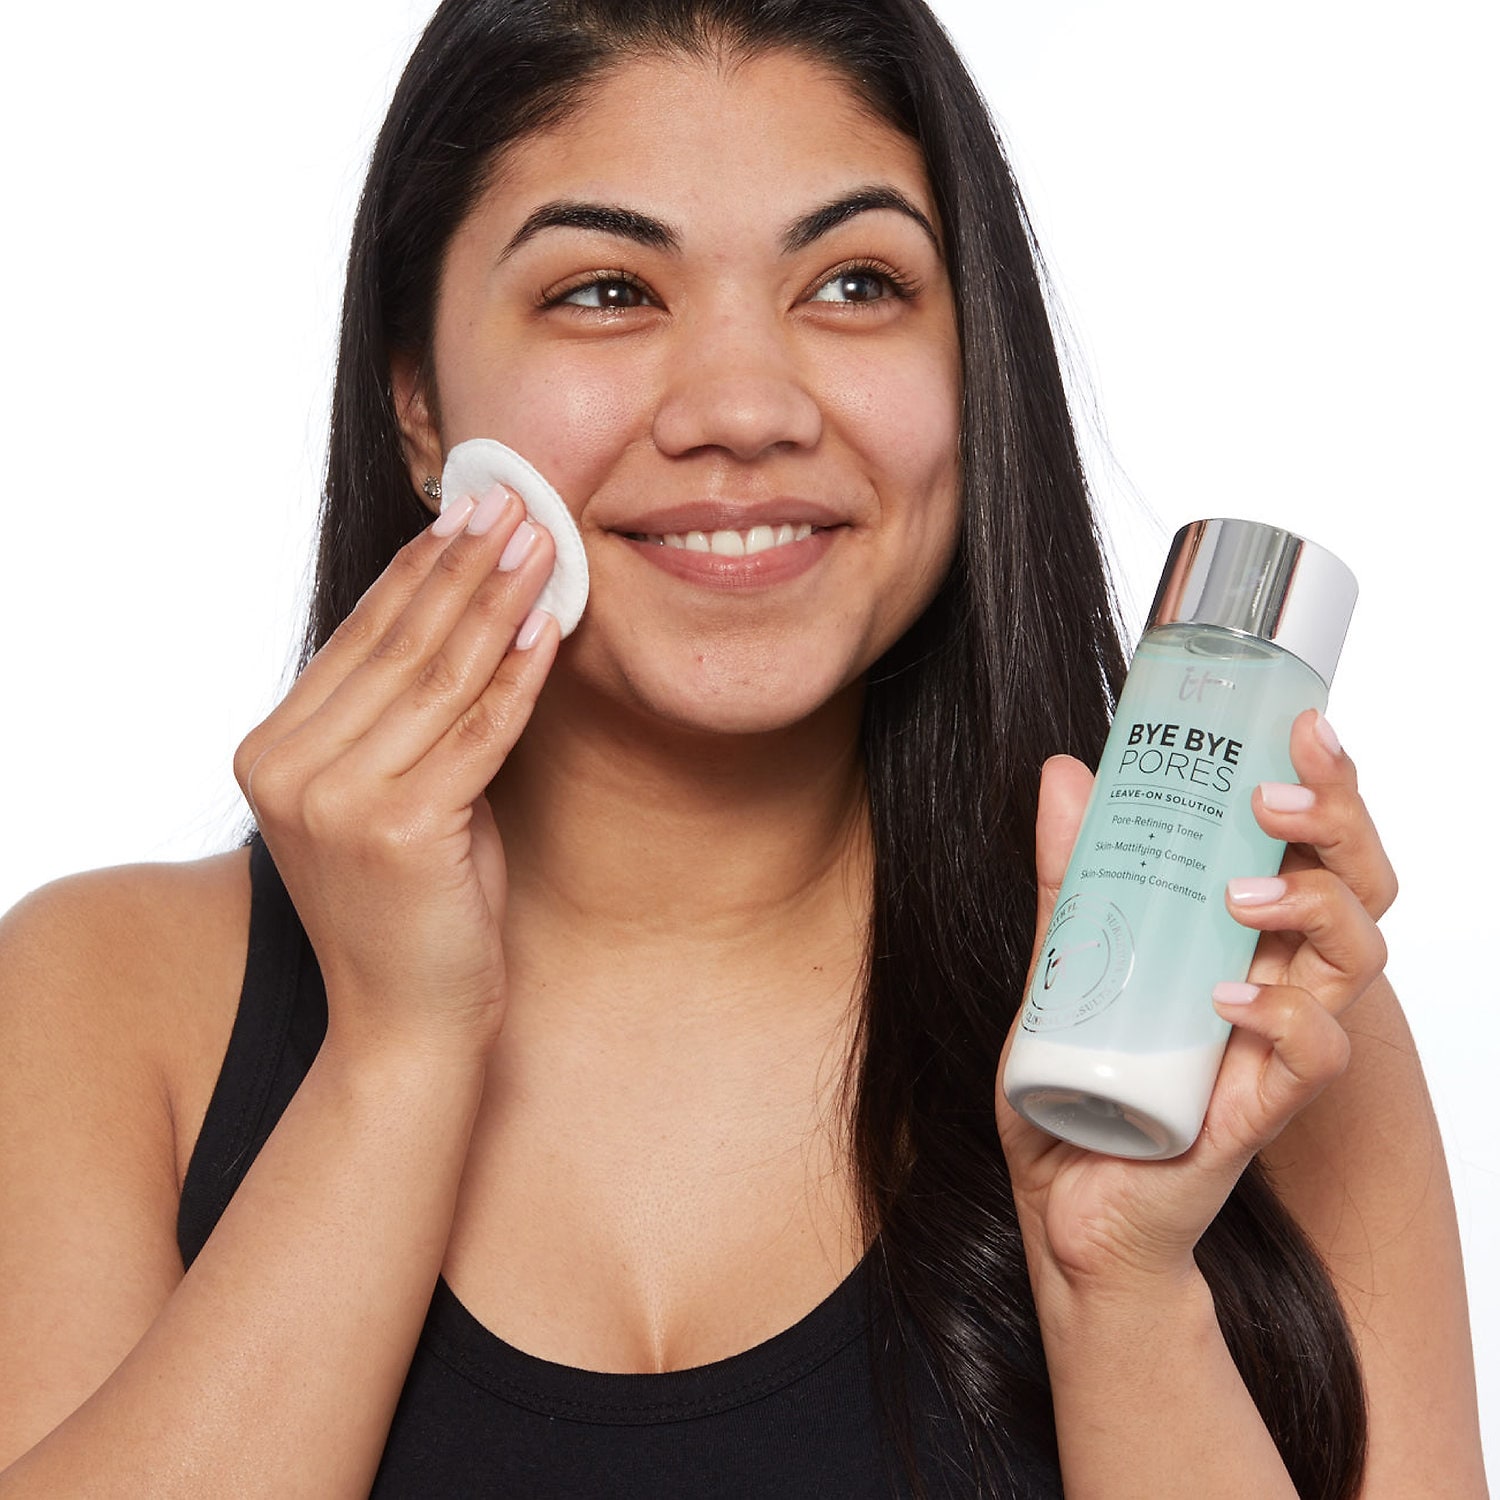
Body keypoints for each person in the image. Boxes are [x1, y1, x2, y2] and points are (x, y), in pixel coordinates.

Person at [0, 0, 1486, 1494]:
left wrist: (1123, 1287)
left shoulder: (1243, 1018)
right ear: (419, 405)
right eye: (605, 291)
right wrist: (393, 1051)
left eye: (853, 283)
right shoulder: (110, 999)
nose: (745, 409)